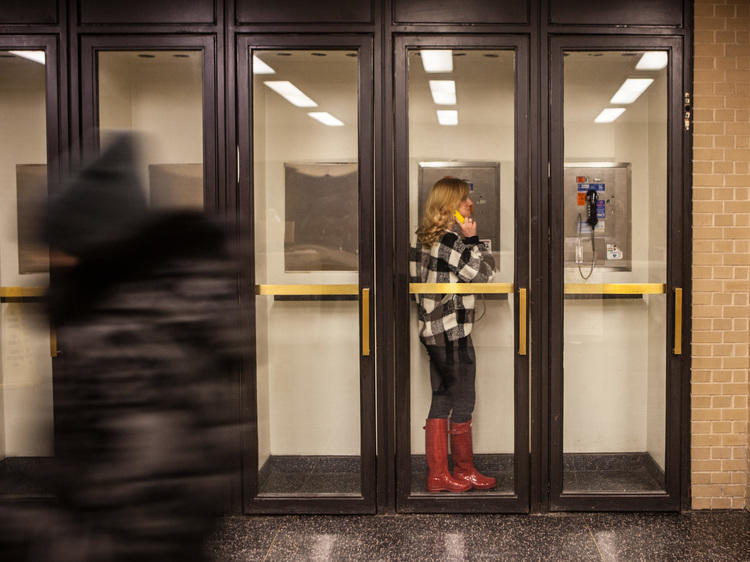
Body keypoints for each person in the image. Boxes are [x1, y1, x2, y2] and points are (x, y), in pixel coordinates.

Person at [0, 133, 244, 561]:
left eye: (57, 246)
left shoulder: (130, 341)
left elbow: (140, 516)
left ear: (88, 247)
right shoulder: (162, 316)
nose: (48, 260)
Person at [409, 177, 497, 493]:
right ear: (450, 207)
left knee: (447, 396)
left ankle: (453, 472)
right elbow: (484, 275)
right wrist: (473, 239)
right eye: (463, 201)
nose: (468, 206)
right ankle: (452, 472)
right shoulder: (449, 240)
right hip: (452, 331)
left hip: (434, 332)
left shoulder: (420, 240)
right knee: (458, 398)